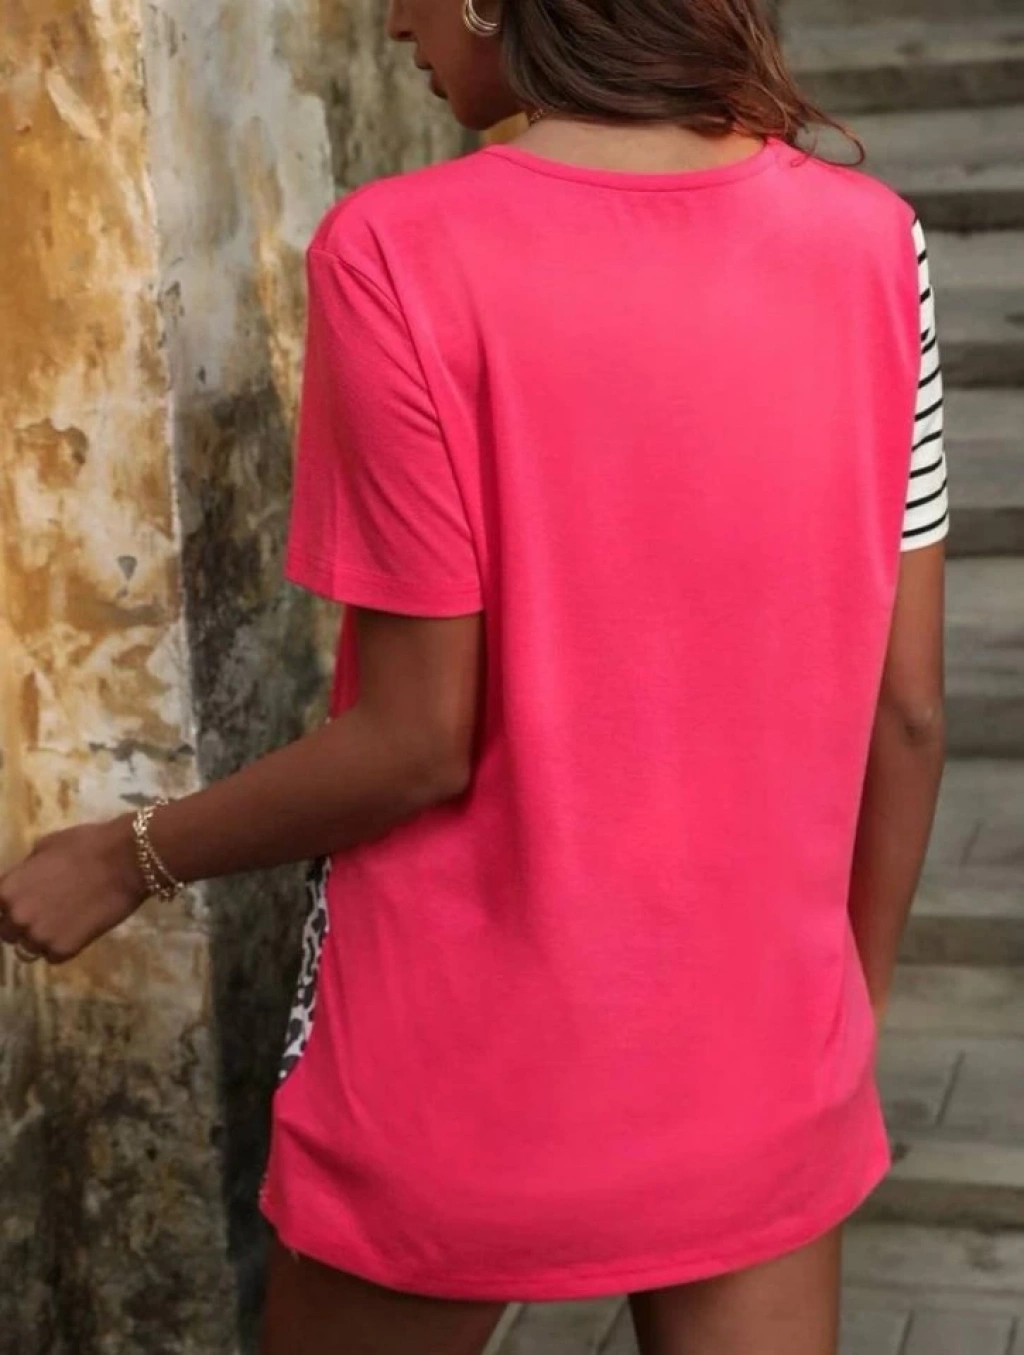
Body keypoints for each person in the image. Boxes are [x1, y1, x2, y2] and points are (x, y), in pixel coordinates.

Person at [0, 0, 949, 1349]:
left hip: (457, 1076)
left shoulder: (395, 252)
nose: (392, 19)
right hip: (762, 1062)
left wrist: (126, 856)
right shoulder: (874, 243)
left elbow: (415, 743)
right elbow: (909, 712)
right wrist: (844, 1014)